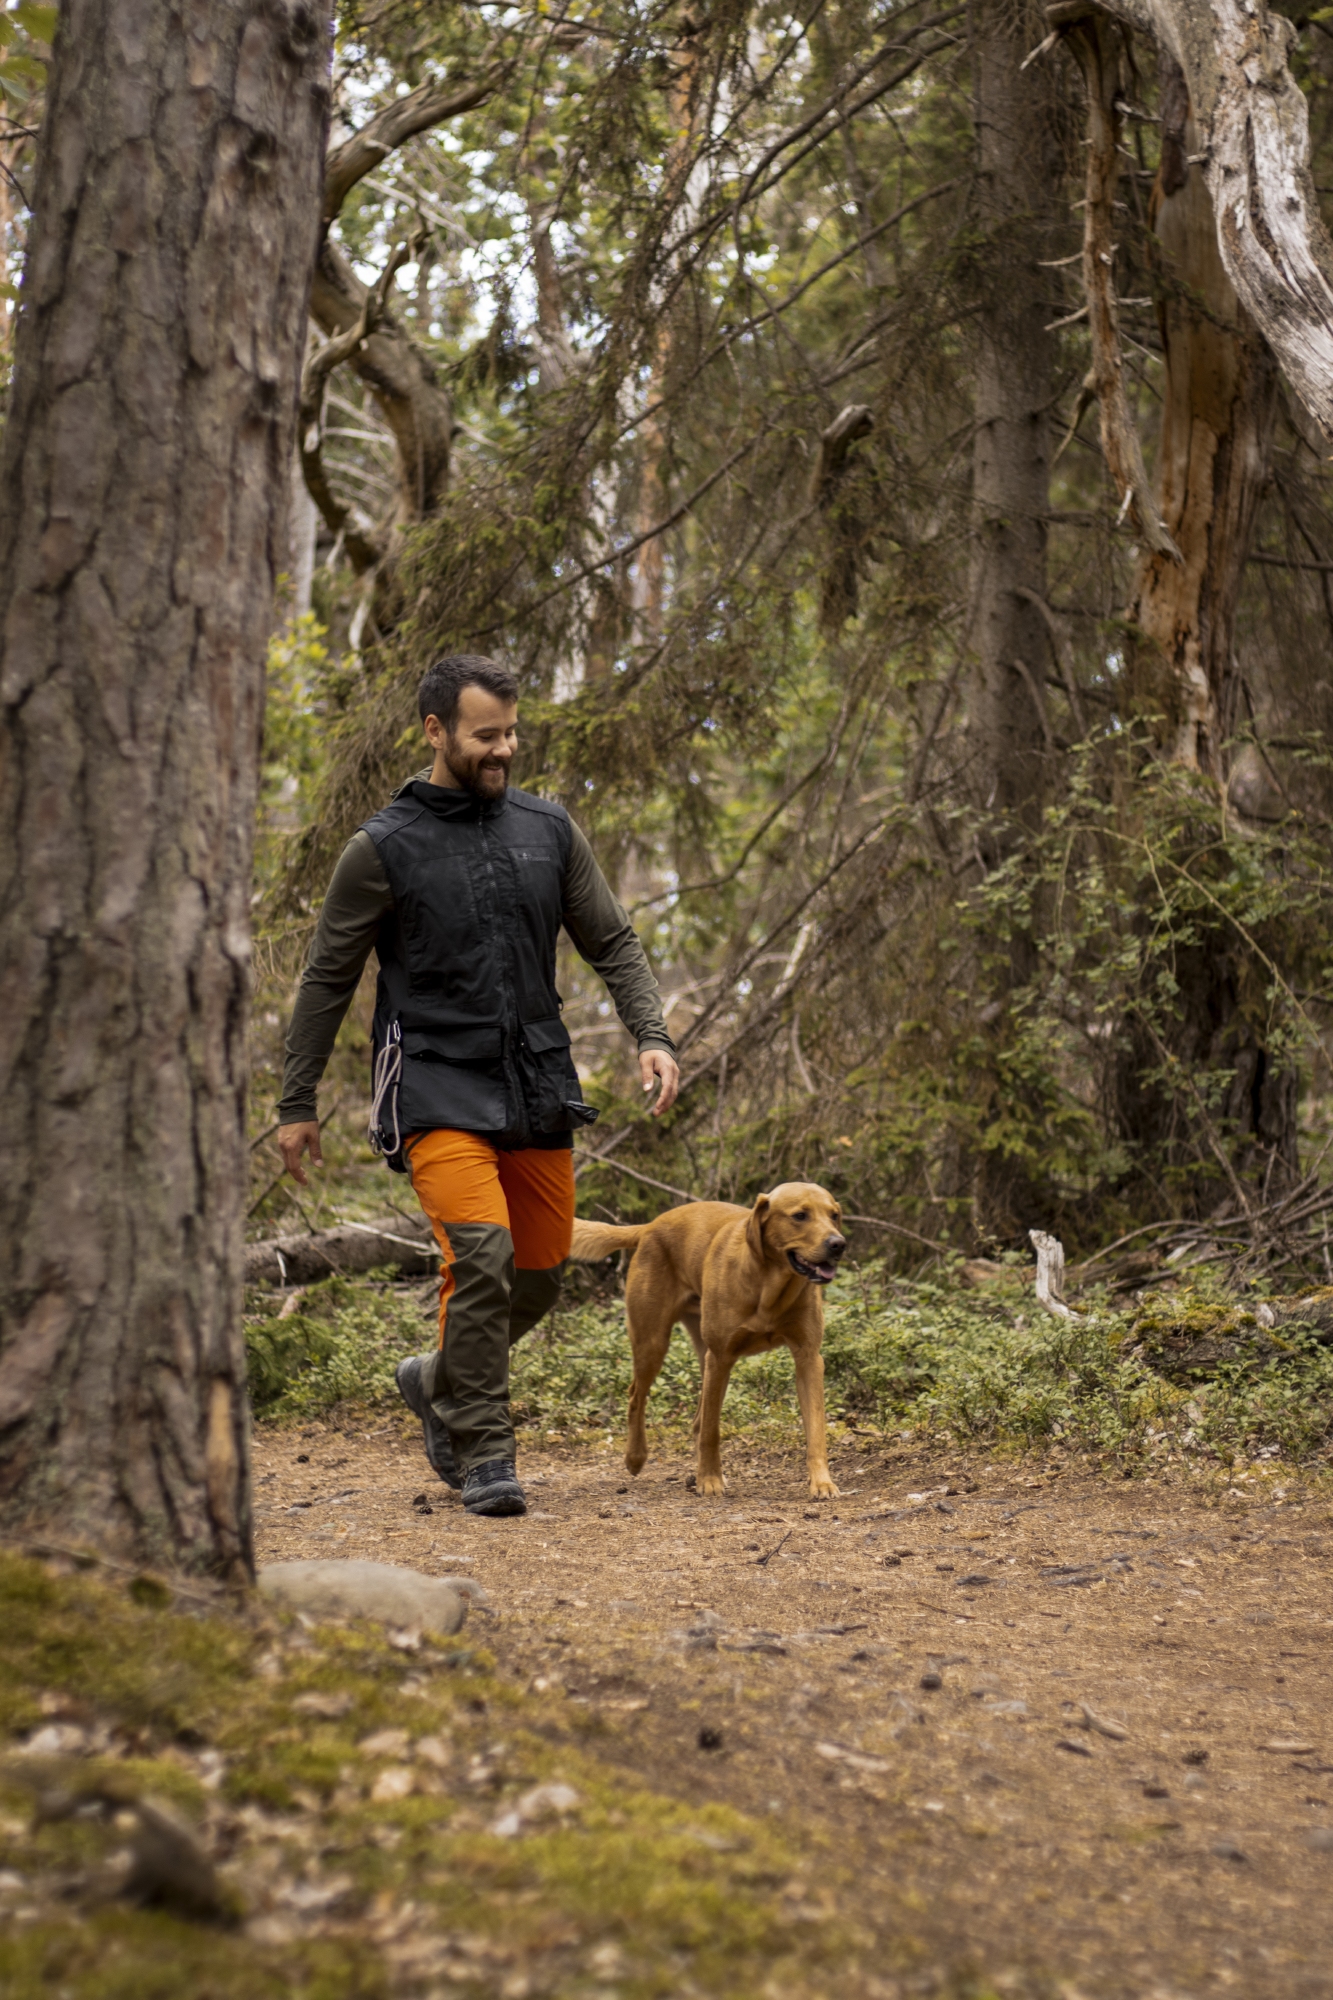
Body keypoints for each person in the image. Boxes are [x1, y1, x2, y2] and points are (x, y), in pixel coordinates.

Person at [276, 653, 680, 1517]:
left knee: (536, 1276)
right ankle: (487, 1452)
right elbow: (326, 980)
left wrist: (651, 1033)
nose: (504, 750)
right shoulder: (380, 849)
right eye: (485, 735)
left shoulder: (548, 829)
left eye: (511, 733)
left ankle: (434, 1379)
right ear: (435, 731)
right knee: (484, 1258)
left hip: (534, 1080)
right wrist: (297, 1101)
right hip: (432, 1082)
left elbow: (611, 940)